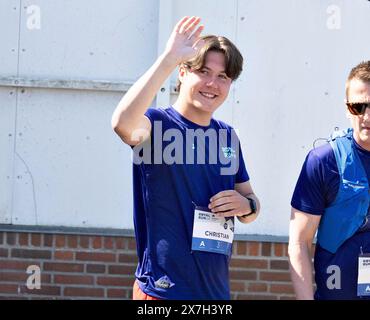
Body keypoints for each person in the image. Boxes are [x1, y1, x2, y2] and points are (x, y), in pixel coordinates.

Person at [111, 16, 260, 300]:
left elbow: (252, 205)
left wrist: (246, 205)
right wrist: (167, 58)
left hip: (215, 293)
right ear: (182, 73)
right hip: (162, 291)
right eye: (203, 72)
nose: (212, 84)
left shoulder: (228, 137)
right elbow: (122, 123)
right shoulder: (157, 125)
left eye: (223, 77)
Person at [289, 61, 370, 300]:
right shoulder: (324, 161)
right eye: (358, 106)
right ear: (347, 109)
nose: (366, 116)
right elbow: (299, 242)